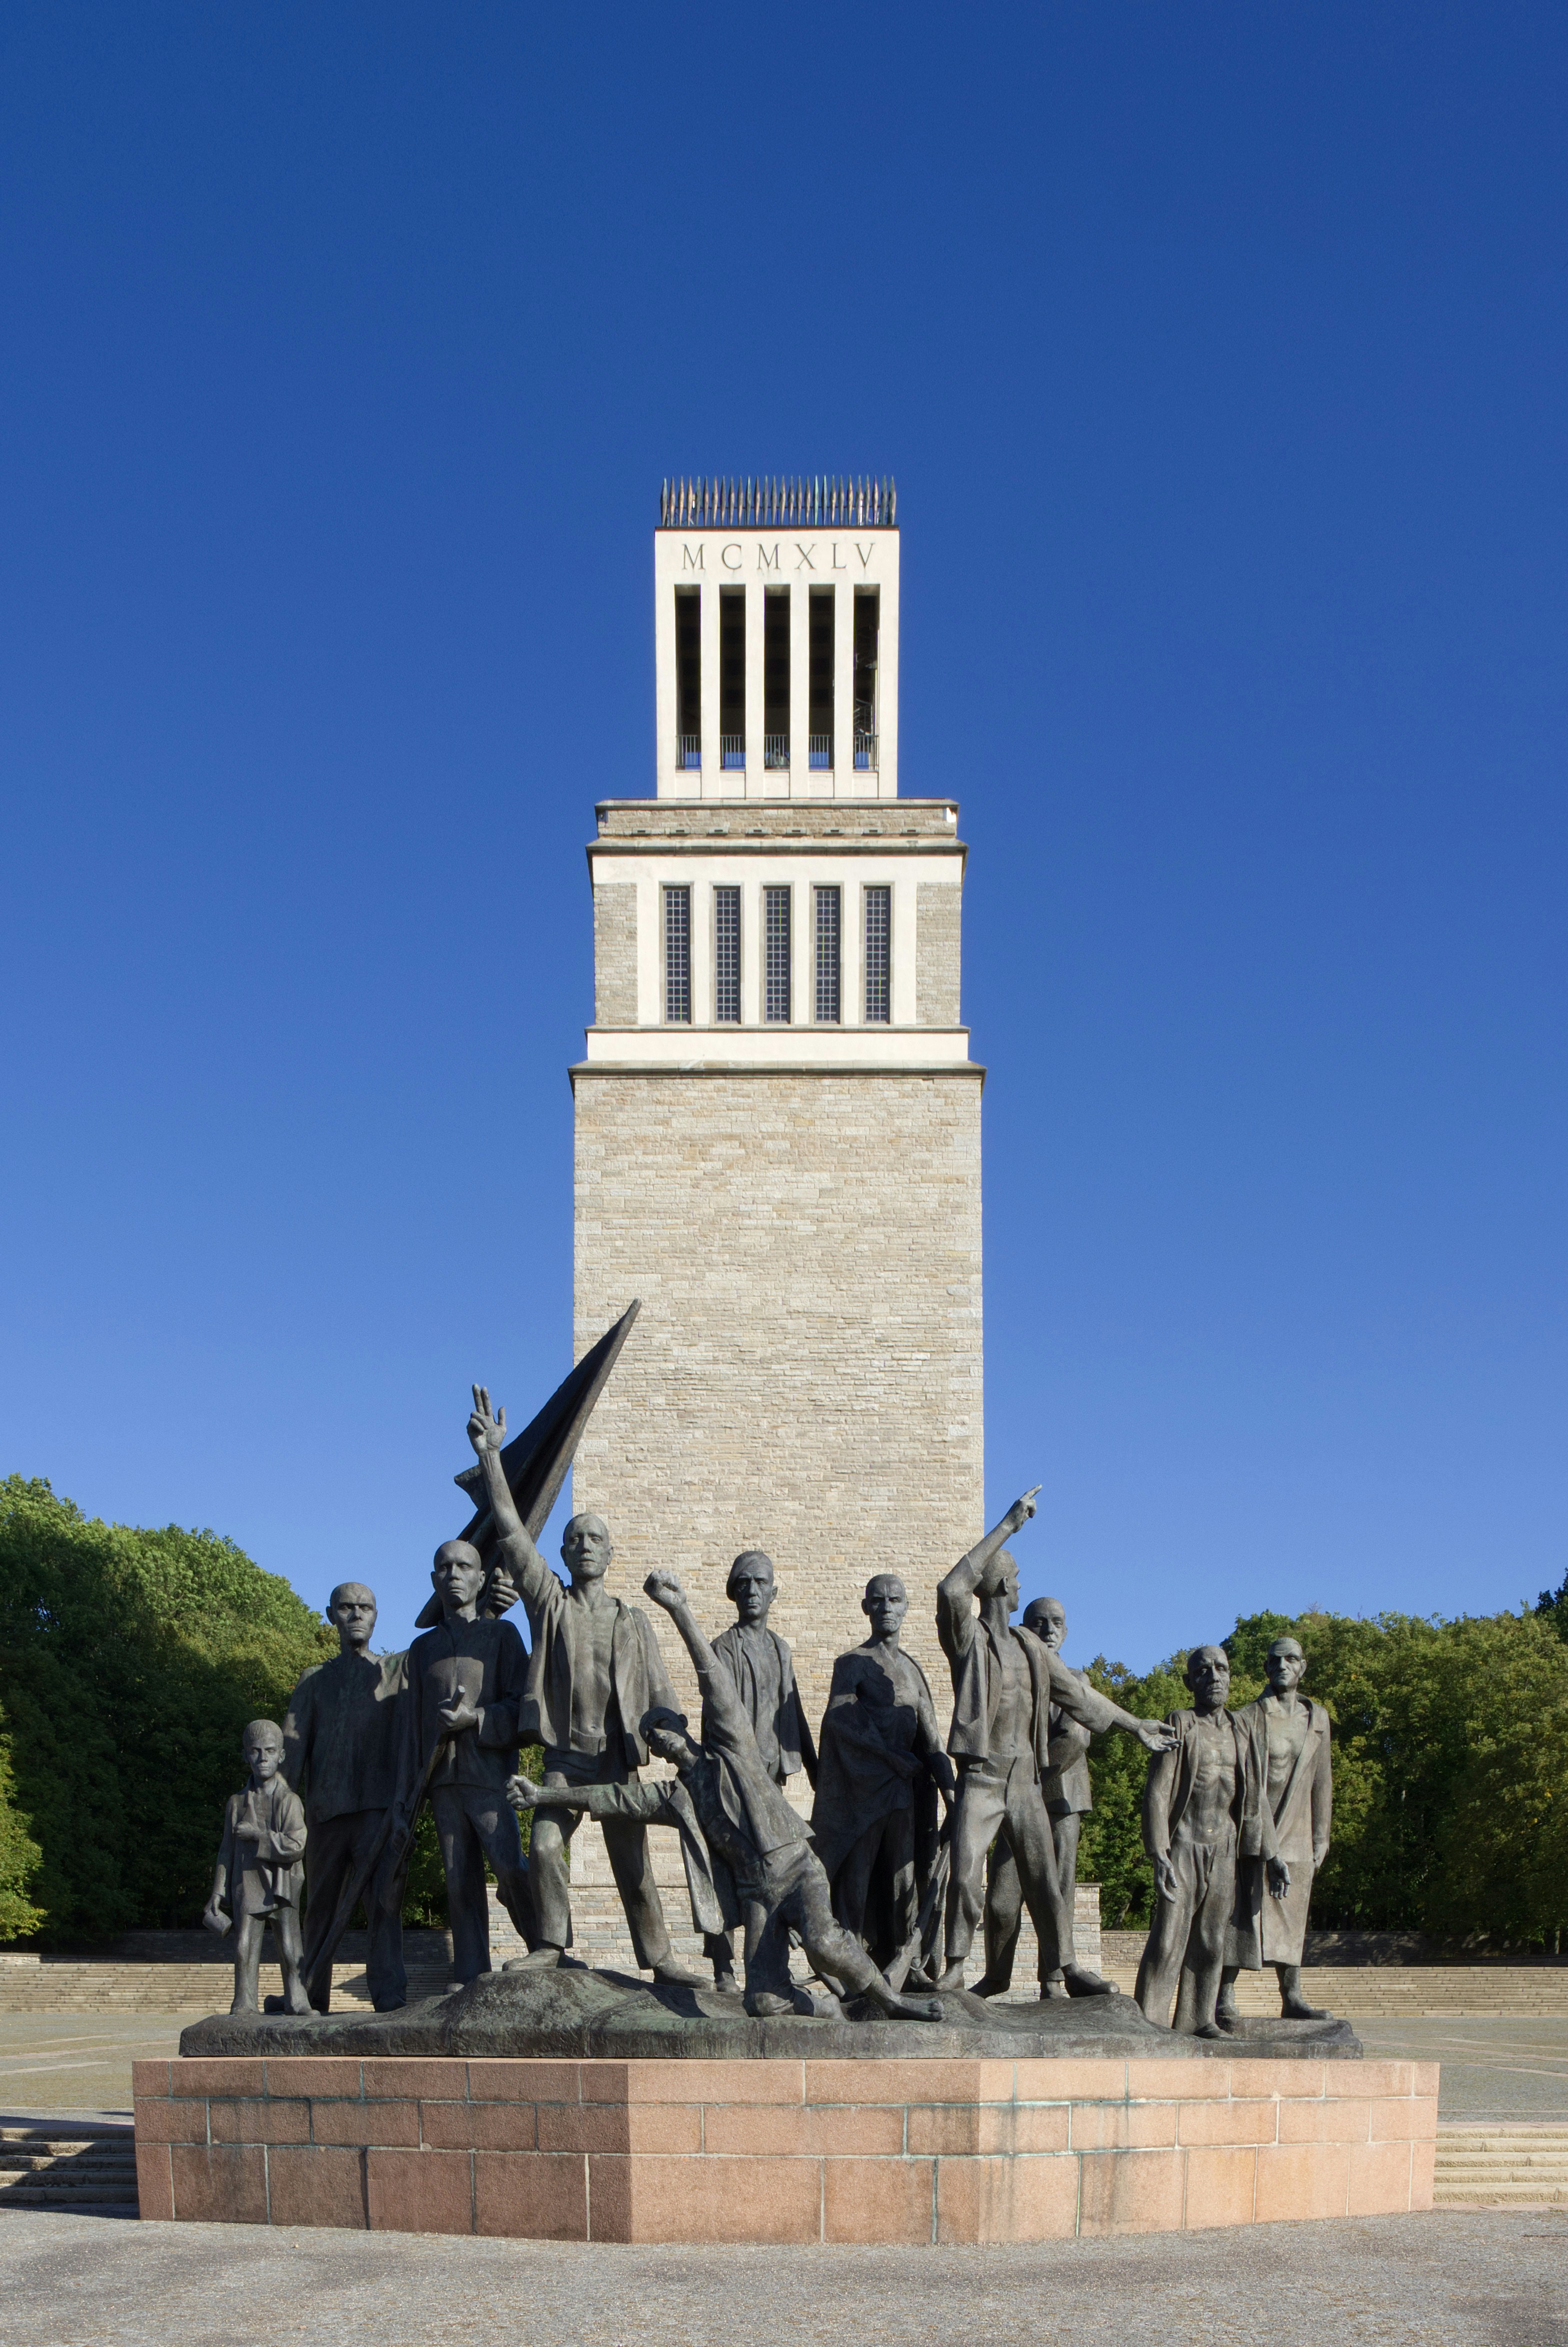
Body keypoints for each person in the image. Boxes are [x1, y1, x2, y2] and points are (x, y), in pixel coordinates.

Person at [508, 1571, 945, 2023]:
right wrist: (542, 1794)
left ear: (683, 1729)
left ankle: (894, 2002)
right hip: (758, 1893)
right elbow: (613, 1798)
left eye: (666, 1729)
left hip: (796, 1869)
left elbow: (713, 1679)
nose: (663, 1741)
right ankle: (824, 2006)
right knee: (762, 2002)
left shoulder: (734, 1747)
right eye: (654, 1740)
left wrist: (679, 1610)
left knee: (824, 1941)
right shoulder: (677, 1796)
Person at [464, 1386, 696, 1984]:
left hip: (617, 1760)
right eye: (576, 1538)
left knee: (634, 1865)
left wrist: (679, 1741)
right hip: (565, 1761)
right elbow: (514, 1536)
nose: (585, 1545)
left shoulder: (633, 1620)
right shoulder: (551, 1603)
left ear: (610, 1552)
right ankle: (551, 1944)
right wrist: (491, 1457)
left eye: (595, 1538)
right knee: (544, 1846)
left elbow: (661, 1694)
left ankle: (661, 1959)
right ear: (564, 1553)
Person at [937, 1490, 1174, 1994]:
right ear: (1003, 1584)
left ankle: (1066, 1968)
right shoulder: (969, 1640)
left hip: (1025, 1779)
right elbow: (952, 1587)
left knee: (1044, 1878)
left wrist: (1135, 1725)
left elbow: (1079, 1697)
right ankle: (956, 1964)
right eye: (1017, 1578)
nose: (1021, 1585)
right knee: (964, 1874)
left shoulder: (1030, 1646)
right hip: (983, 1775)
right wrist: (1008, 1524)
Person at [392, 1456, 536, 1983]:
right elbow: (410, 1728)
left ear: (480, 1577)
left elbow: (523, 1706)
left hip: (489, 1773)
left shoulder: (502, 1636)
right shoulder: (422, 1649)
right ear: (434, 1579)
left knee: (511, 1866)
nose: (453, 1574)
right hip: (442, 1780)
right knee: (458, 1880)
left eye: (463, 1567)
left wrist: (474, 1718)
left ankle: (546, 1949)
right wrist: (407, 1793)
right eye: (445, 1568)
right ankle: (471, 1969)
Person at [1134, 1645, 1285, 2036]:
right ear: (1190, 1682)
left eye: (1221, 1669)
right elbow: (1158, 1792)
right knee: (1168, 1939)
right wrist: (1159, 1852)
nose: (1214, 1677)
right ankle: (1148, 2024)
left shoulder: (1241, 1729)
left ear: (1231, 1676)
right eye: (1203, 1671)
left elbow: (1257, 1798)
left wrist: (1273, 1855)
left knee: (1212, 1940)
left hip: (1225, 1847)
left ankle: (1199, 2020)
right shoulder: (1181, 1723)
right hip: (1185, 1843)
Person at [811, 1572, 953, 1979]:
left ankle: (904, 1969)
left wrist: (953, 1795)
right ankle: (852, 1970)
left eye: (894, 1600)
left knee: (903, 1880)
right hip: (863, 1790)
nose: (886, 1607)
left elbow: (932, 1740)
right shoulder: (852, 1663)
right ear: (866, 1608)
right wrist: (889, 1756)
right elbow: (837, 1720)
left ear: (906, 1607)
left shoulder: (912, 1670)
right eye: (878, 1600)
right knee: (856, 1880)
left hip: (904, 1791)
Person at [282, 1582, 407, 2013]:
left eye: (365, 1608)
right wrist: (279, 1812)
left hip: (378, 1812)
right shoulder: (314, 1681)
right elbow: (292, 1750)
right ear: (331, 1615)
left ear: (376, 1616)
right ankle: (309, 1992)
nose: (356, 1615)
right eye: (347, 1607)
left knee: (384, 1904)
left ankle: (389, 1993)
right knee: (319, 1906)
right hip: (326, 1813)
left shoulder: (393, 1674)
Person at [974, 1595, 1101, 2000]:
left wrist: (1031, 1781)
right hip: (1014, 1798)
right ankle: (997, 1976)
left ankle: (1054, 1981)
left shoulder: (1076, 1679)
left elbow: (1076, 1737)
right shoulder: (1011, 1676)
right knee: (1001, 1897)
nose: (1048, 1631)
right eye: (1039, 1622)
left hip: (1059, 1799)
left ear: (1067, 1631)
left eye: (1056, 1623)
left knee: (1057, 1894)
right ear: (1023, 1630)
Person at [703, 1551, 817, 1990]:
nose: (752, 1590)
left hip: (770, 1784)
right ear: (733, 1592)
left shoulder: (780, 1649)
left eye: (760, 1582)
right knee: (725, 1870)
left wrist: (816, 1768)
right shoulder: (723, 1648)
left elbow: (795, 1710)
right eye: (744, 1583)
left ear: (774, 1592)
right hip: (732, 1780)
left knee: (776, 1874)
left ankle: (772, 1969)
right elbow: (718, 1717)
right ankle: (723, 1967)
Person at [1218, 1636, 1334, 2025]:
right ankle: (1224, 1996)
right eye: (1275, 1660)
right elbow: (1246, 1784)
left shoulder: (1317, 1719)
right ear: (1266, 1668)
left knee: (1292, 1914)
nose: (1283, 1665)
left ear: (1303, 1666)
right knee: (1241, 1912)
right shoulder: (1247, 1718)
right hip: (1252, 1827)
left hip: (1299, 1831)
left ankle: (1292, 1996)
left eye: (1291, 1659)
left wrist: (1322, 1836)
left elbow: (1322, 1780)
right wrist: (1266, 1843)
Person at [202, 1720, 312, 2016]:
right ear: (246, 1755)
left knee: (290, 1947)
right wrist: (218, 1891)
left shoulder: (290, 1801)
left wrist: (258, 1836)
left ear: (282, 1756)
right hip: (247, 1882)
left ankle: (297, 2000)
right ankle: (244, 2001)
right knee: (244, 1946)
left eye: (270, 1751)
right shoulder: (236, 1803)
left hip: (283, 1883)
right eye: (256, 1751)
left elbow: (297, 1845)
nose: (263, 1758)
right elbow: (226, 1850)